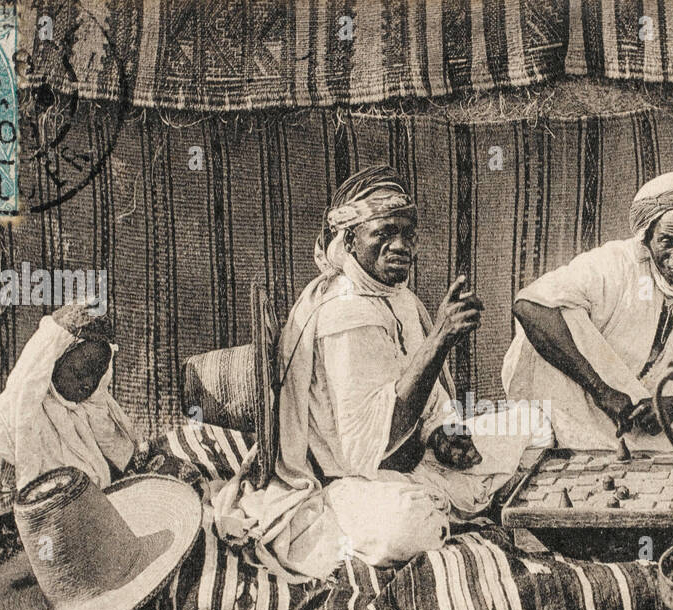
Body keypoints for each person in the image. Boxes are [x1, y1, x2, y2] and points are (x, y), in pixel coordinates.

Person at [214, 165, 548, 578]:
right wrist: (440, 338)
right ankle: (452, 513)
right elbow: (369, 448)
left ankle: (455, 508)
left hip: (417, 466)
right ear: (350, 239)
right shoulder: (344, 312)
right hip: (352, 482)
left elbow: (426, 400)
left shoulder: (397, 297)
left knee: (536, 425)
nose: (401, 245)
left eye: (408, 234)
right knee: (409, 526)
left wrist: (440, 432)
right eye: (385, 233)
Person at [502, 171, 673, 454]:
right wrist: (602, 391)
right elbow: (528, 305)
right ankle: (582, 435)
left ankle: (615, 441)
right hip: (591, 404)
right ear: (647, 239)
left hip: (670, 421)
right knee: (554, 313)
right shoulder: (615, 264)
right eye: (668, 241)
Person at [0, 302, 136, 516]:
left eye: (98, 373)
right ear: (55, 358)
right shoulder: (7, 428)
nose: (88, 384)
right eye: (80, 371)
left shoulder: (83, 413)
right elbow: (16, 518)